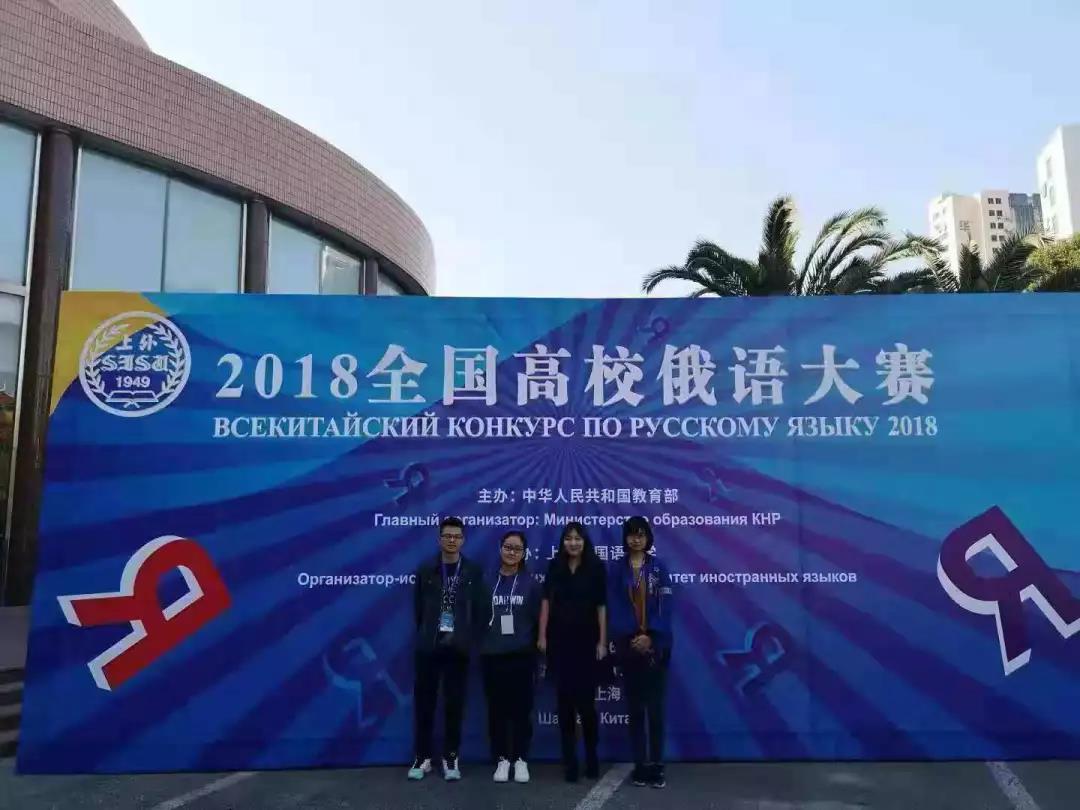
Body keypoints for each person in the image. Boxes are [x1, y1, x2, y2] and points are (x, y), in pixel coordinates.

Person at [408, 516, 488, 782]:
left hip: (458, 648)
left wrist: (467, 637)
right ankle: (422, 757)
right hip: (429, 646)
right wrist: (426, 632)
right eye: (447, 536)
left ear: (463, 540)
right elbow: (419, 608)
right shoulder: (426, 569)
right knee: (425, 704)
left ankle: (451, 756)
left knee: (454, 705)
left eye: (456, 536)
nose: (452, 540)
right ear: (439, 538)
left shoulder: (472, 571)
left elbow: (481, 609)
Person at [607, 516, 674, 789]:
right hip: (629, 646)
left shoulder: (659, 568)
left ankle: (657, 765)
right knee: (635, 710)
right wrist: (633, 636)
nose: (636, 539)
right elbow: (614, 605)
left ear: (648, 538)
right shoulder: (617, 569)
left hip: (656, 648)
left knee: (655, 710)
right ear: (625, 538)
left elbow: (665, 606)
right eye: (632, 534)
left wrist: (651, 636)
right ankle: (640, 765)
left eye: (641, 534)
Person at [538, 521, 607, 782]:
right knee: (565, 707)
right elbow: (546, 602)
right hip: (559, 642)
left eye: (578, 538)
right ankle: (570, 762)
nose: (573, 543)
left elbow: (601, 606)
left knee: (587, 708)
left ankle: (591, 757)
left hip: (587, 642)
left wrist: (602, 641)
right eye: (569, 538)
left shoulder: (596, 567)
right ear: (563, 542)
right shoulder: (555, 566)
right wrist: (542, 635)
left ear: (584, 541)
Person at [480, 530, 542, 784]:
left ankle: (520, 759)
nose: (511, 552)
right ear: (500, 549)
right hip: (492, 654)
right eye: (508, 547)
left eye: (517, 549)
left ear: (524, 553)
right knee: (497, 710)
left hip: (522, 655)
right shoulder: (486, 581)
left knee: (521, 710)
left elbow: (538, 620)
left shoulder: (531, 583)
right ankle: (502, 759)